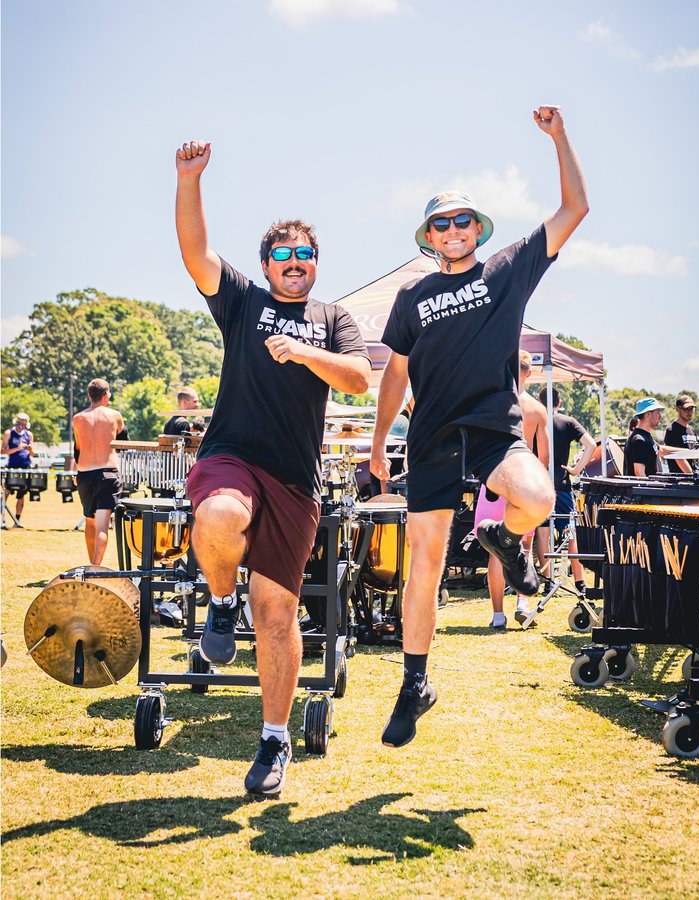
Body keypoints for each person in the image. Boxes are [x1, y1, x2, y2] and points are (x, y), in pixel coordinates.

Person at [370, 105, 588, 748]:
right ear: (429, 236)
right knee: (425, 565)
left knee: (539, 498)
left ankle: (503, 537)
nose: (454, 229)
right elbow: (395, 375)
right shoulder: (411, 298)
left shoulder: (507, 270)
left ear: (478, 229)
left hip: (494, 429)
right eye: (442, 223)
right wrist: (380, 442)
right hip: (431, 437)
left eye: (463, 219)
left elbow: (574, 209)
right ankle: (415, 682)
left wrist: (559, 137)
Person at [175, 139, 371, 797]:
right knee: (219, 514)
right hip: (232, 456)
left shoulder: (333, 317)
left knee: (277, 613)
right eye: (283, 256)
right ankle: (219, 601)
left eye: (304, 255)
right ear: (266, 265)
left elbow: (359, 379)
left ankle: (274, 738)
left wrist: (304, 353)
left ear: (315, 265)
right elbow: (196, 254)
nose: (295, 263)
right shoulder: (243, 303)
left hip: (296, 480)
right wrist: (189, 179)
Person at [482, 350, 550, 629]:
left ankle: (498, 615)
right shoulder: (537, 409)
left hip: (496, 480)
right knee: (523, 546)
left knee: (496, 550)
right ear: (529, 373)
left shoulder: (494, 402)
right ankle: (523, 604)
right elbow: (544, 457)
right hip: (524, 482)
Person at [535, 387, 597, 603]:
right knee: (570, 534)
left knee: (543, 533)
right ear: (559, 403)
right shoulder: (568, 422)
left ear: (540, 402)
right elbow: (591, 445)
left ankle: (547, 580)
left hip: (539, 484)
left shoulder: (536, 420)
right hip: (561, 484)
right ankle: (580, 582)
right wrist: (576, 469)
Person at [72, 379, 126, 564]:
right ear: (105, 395)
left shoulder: (78, 418)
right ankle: (96, 567)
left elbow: (77, 450)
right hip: (108, 473)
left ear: (89, 395)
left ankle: (91, 566)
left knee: (89, 520)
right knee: (102, 526)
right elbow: (123, 442)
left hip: (85, 474)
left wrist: (76, 473)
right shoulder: (114, 415)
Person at [1, 412, 34, 527]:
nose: (21, 426)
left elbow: (33, 453)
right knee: (6, 491)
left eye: (24, 424)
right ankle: (2, 518)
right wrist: (18, 448)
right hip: (12, 466)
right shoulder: (9, 433)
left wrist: (30, 449)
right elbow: (3, 451)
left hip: (25, 466)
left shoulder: (29, 434)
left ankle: (17, 521)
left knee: (21, 494)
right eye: (20, 423)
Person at [623, 397, 671, 477]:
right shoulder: (639, 440)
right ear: (648, 414)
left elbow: (661, 450)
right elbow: (639, 473)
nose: (660, 416)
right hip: (644, 485)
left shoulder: (646, 437)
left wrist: (687, 452)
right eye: (658, 412)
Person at [664, 395, 698, 475]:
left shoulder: (692, 430)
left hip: (694, 477)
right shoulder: (672, 429)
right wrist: (691, 475)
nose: (689, 412)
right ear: (677, 409)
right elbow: (678, 457)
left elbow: (697, 455)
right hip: (680, 479)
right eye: (686, 409)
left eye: (691, 409)